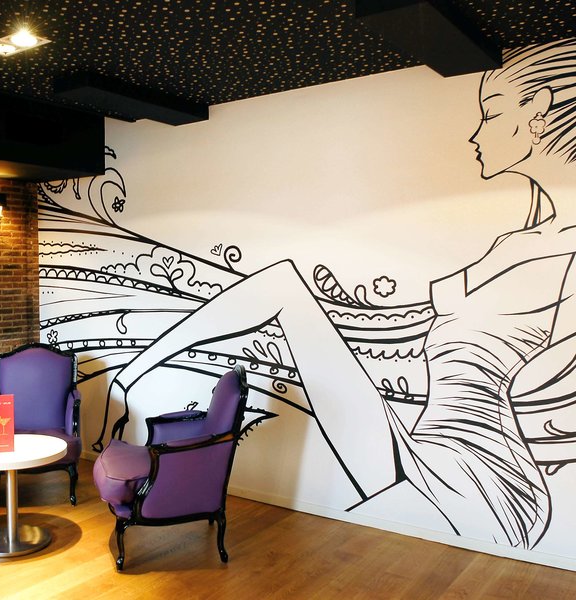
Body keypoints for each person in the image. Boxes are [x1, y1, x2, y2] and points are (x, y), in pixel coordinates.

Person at [103, 39, 576, 549]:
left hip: (480, 475)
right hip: (428, 444)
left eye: (492, 113)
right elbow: (424, 318)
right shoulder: (515, 243)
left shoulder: (562, 251)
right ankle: (132, 374)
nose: (476, 133)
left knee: (284, 288)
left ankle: (131, 375)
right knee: (284, 287)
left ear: (538, 109)